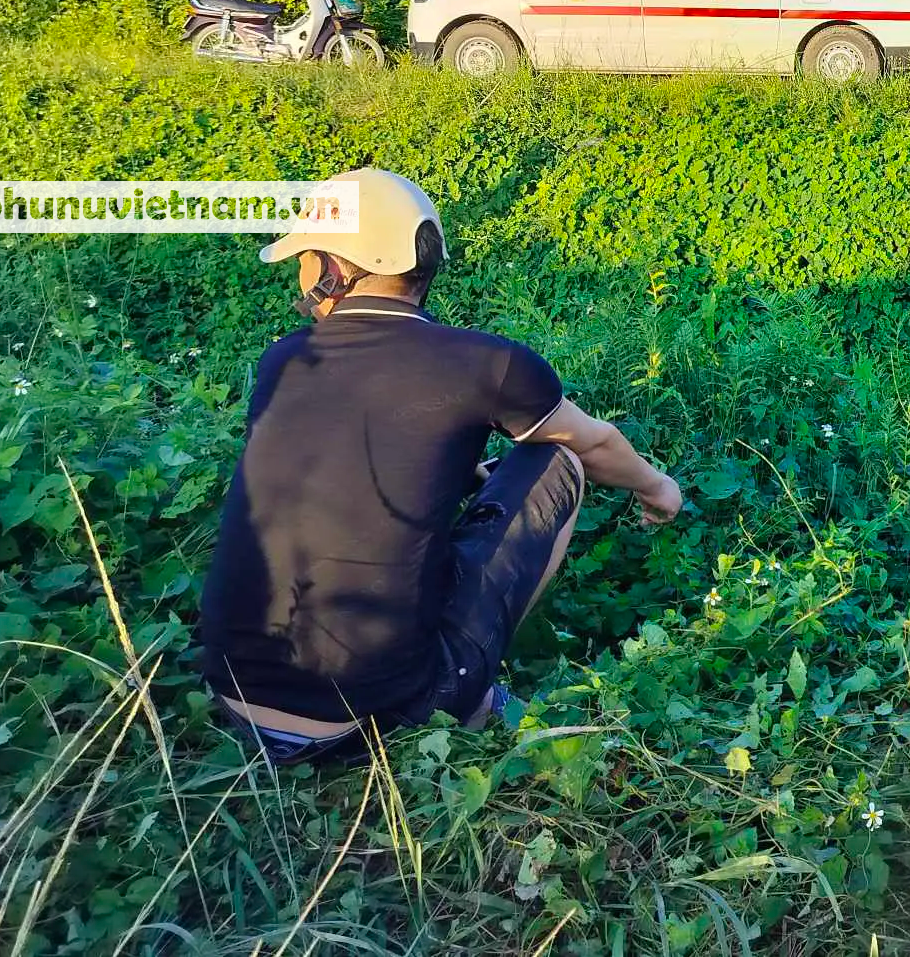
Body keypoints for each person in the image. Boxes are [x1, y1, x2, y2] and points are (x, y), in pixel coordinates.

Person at [194, 168, 684, 764]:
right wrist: (659, 489)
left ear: (334, 269)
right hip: (374, 710)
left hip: (232, 692)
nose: (298, 275)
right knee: (559, 457)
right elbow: (598, 446)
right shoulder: (486, 364)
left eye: (304, 257)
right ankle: (470, 693)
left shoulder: (284, 359)